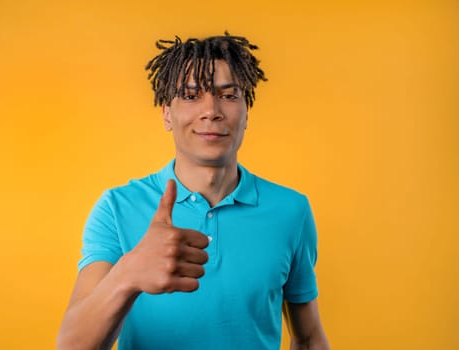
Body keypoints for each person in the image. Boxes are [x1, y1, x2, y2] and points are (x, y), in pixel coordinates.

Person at [57, 32, 329, 350]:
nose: (210, 110)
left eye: (228, 96)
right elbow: (73, 345)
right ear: (167, 114)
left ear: (246, 112)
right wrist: (128, 273)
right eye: (190, 96)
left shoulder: (290, 210)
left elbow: (308, 338)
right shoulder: (117, 207)